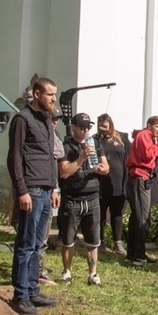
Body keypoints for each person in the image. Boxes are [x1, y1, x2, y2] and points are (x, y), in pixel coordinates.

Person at [7, 77, 60, 315]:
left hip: (46, 190)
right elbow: (15, 157)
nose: (54, 99)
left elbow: (50, 157)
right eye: (50, 94)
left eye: (55, 95)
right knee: (26, 244)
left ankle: (32, 289)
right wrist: (22, 190)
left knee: (38, 244)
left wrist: (55, 187)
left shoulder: (46, 120)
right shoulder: (22, 119)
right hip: (32, 190)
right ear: (37, 94)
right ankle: (20, 296)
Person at [57, 112, 109, 286]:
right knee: (68, 239)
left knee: (93, 240)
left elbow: (106, 167)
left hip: (92, 197)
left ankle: (93, 274)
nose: (86, 130)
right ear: (73, 127)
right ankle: (67, 272)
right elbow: (64, 172)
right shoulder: (66, 146)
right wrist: (81, 158)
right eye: (82, 127)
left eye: (88, 127)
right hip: (72, 197)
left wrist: (101, 169)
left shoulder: (95, 144)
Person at [125, 115, 158, 267]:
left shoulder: (149, 137)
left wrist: (157, 144)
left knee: (137, 216)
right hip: (139, 178)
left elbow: (155, 154)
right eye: (157, 127)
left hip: (143, 178)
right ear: (149, 125)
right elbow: (147, 155)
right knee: (142, 217)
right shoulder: (144, 136)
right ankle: (139, 256)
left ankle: (133, 253)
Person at [95, 113, 130, 254]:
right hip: (102, 183)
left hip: (118, 181)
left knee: (117, 213)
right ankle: (100, 241)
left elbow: (129, 157)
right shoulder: (96, 140)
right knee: (101, 213)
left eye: (105, 127)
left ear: (111, 125)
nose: (103, 130)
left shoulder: (122, 138)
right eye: (100, 127)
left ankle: (118, 242)